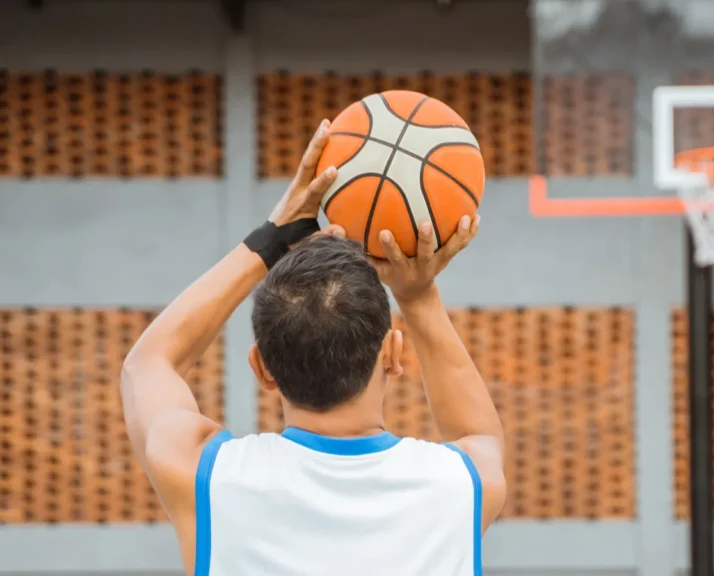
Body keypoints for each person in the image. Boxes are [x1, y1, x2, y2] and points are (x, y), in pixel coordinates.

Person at [120, 120, 505, 576]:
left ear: (261, 367)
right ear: (393, 355)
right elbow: (480, 436)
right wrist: (419, 297)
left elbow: (148, 364)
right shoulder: (460, 486)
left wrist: (272, 236)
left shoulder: (207, 477)